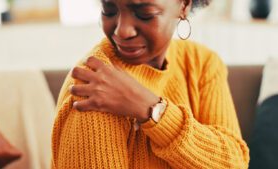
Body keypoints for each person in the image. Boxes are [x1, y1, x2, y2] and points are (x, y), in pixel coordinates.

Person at [51, 0, 250, 168]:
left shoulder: (202, 63)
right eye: (109, 9)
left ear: (184, 5)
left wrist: (152, 110)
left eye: (144, 13)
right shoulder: (94, 87)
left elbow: (235, 162)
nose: (123, 31)